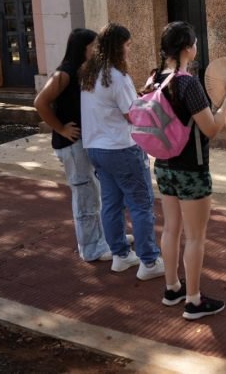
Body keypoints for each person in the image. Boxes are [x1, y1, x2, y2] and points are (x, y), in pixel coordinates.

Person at [147, 22, 226, 319]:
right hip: (192, 168)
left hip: (163, 165)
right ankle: (194, 300)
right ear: (187, 48)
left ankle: (172, 287)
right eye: (195, 42)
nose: (196, 47)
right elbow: (211, 128)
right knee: (196, 236)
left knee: (171, 228)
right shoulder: (188, 83)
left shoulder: (154, 77)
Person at [80, 23, 164, 281]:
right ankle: (149, 261)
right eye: (127, 45)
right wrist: (152, 101)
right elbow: (133, 115)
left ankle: (120, 255)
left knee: (112, 203)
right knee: (140, 204)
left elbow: (114, 107)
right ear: (118, 47)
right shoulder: (118, 77)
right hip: (121, 148)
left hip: (95, 147)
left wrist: (138, 96)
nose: (129, 50)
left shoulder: (90, 74)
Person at [34, 28, 111, 262]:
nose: (96, 51)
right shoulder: (64, 74)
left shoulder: (81, 72)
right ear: (82, 48)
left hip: (82, 144)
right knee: (85, 196)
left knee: (93, 193)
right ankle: (90, 248)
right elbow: (40, 103)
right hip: (71, 146)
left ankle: (101, 239)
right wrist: (61, 128)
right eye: (93, 47)